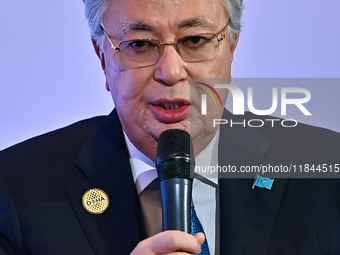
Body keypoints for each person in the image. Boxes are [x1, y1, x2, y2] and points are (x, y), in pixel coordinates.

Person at [1, 0, 340, 254]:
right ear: (103, 57)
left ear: (232, 47)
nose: (171, 71)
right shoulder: (16, 188)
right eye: (140, 44)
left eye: (194, 40)